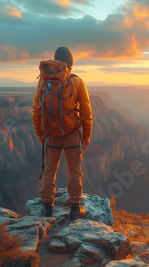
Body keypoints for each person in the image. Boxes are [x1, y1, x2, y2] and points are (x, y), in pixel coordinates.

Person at [31, 46, 93, 220]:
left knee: (50, 170)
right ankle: (75, 208)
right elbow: (87, 112)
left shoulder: (44, 81)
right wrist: (87, 135)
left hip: (50, 135)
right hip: (72, 135)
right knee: (74, 171)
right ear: (71, 62)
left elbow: (36, 109)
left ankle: (46, 207)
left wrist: (39, 132)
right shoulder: (78, 82)